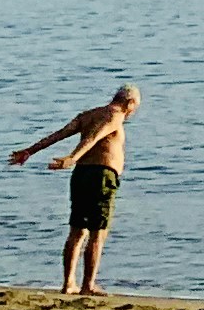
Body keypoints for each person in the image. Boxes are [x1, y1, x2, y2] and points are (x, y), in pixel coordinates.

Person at [9, 84, 141, 296]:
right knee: (98, 232)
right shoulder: (115, 115)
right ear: (130, 103)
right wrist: (73, 157)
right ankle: (88, 285)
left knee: (77, 231)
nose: (133, 112)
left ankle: (69, 283)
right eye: (135, 107)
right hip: (101, 176)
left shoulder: (89, 115)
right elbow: (94, 137)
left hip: (81, 175)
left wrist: (30, 151)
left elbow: (60, 134)